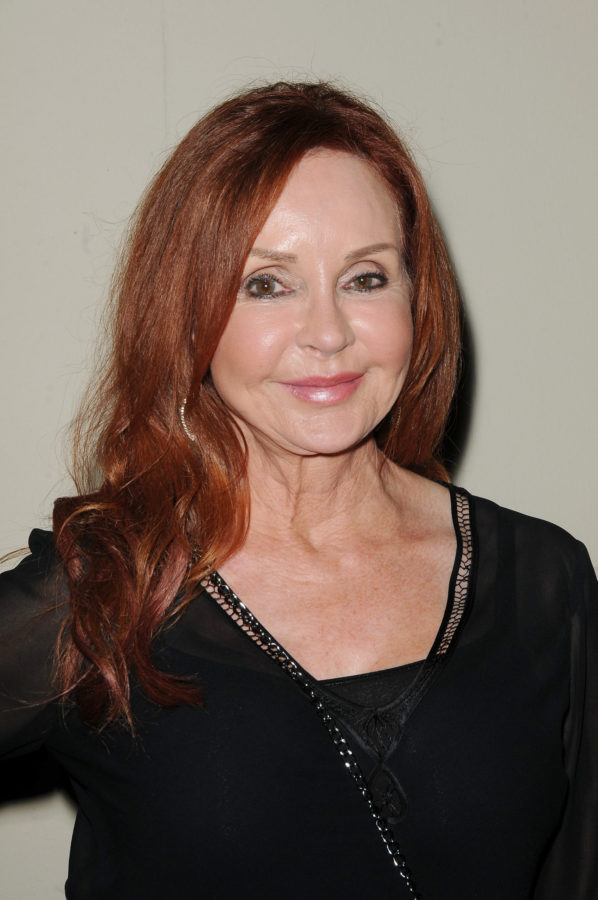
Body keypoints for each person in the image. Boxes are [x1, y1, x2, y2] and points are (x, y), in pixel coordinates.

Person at [0, 81, 596, 900]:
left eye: (366, 278)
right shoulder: (106, 590)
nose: (328, 333)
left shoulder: (544, 582)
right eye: (267, 284)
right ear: (189, 316)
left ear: (417, 298)